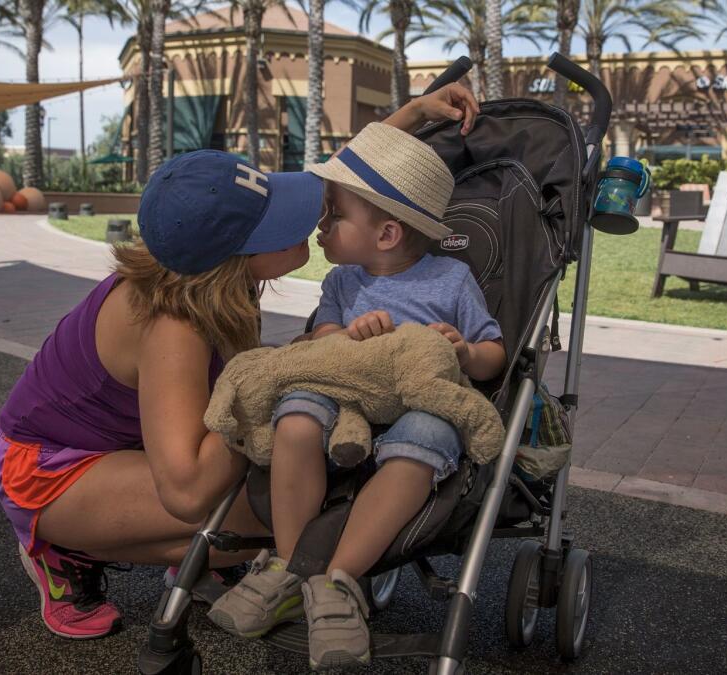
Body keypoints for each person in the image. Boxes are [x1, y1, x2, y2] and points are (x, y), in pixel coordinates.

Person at [0, 83, 479, 641]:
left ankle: (203, 557)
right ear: (237, 257)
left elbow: (342, 184)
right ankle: (66, 548)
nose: (315, 216)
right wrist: (277, 377)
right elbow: (189, 491)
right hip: (52, 469)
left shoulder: (204, 267)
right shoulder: (174, 321)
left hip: (134, 443)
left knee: (295, 483)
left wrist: (415, 114)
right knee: (286, 511)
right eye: (283, 221)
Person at [207, 122, 505, 669]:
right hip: (344, 393)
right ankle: (294, 570)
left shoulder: (452, 281)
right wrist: (344, 333)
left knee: (419, 447)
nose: (320, 227)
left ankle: (338, 582)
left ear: (387, 234)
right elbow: (322, 341)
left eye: (334, 216)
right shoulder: (342, 285)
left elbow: (494, 352)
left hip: (419, 399)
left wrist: (463, 353)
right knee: (295, 418)